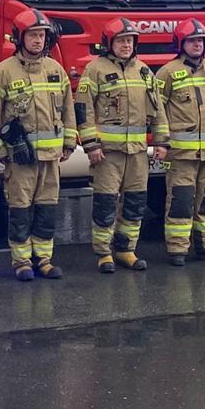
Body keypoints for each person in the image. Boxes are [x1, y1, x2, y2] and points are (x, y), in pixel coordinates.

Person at [0, 9, 79, 281]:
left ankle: (44, 259)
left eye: (42, 35)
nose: (38, 40)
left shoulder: (56, 69)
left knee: (47, 208)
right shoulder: (4, 72)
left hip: (51, 158)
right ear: (20, 38)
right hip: (20, 159)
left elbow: (68, 110)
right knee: (20, 209)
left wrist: (69, 142)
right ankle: (22, 261)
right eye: (33, 35)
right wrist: (1, 151)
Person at [77, 17, 167, 273]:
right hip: (107, 154)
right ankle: (104, 253)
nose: (126, 45)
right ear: (109, 43)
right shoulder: (95, 70)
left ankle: (126, 249)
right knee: (105, 203)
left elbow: (157, 109)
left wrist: (161, 141)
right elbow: (84, 110)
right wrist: (91, 145)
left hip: (137, 152)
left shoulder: (144, 71)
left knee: (135, 202)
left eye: (130, 41)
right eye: (121, 41)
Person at [155, 20, 205, 266]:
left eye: (201, 41)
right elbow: (158, 112)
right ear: (180, 44)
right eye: (192, 40)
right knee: (181, 200)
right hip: (181, 154)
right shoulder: (167, 73)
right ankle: (177, 249)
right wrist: (162, 142)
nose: (198, 44)